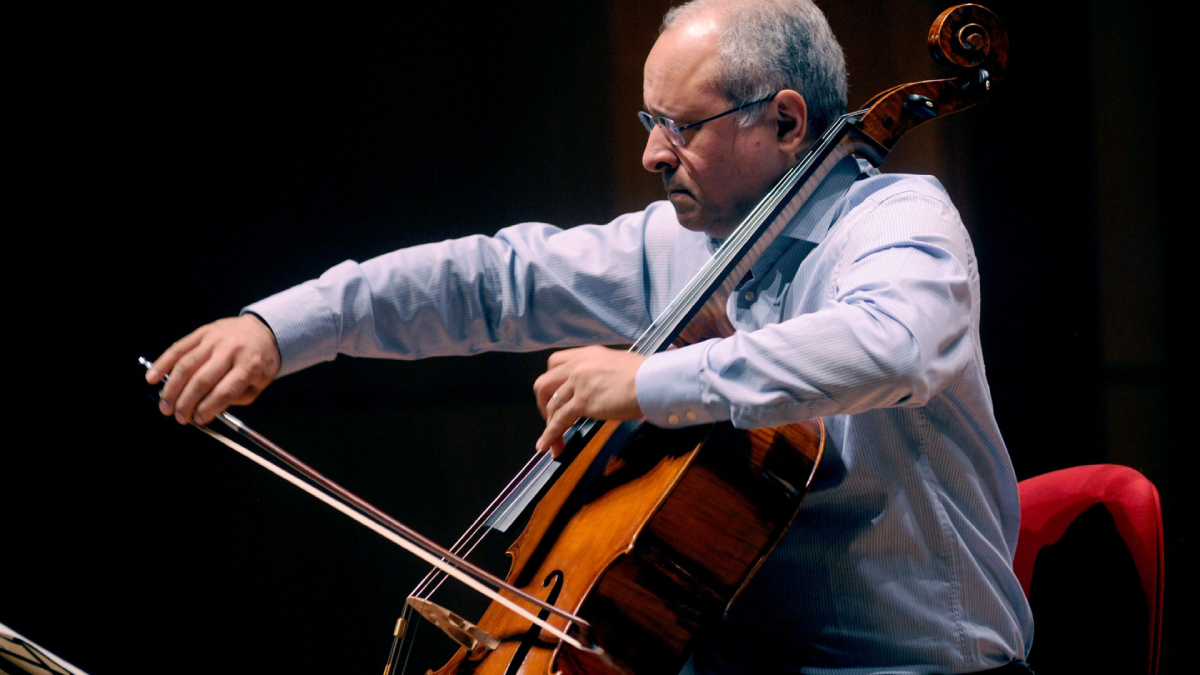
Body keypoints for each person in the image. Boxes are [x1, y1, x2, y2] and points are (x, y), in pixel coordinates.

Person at [147, 0, 1034, 672]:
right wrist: (281, 328)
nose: (654, 155)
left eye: (682, 128)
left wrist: (643, 385)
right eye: (652, 124)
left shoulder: (895, 219)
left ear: (787, 122)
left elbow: (896, 346)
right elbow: (491, 281)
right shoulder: (684, 244)